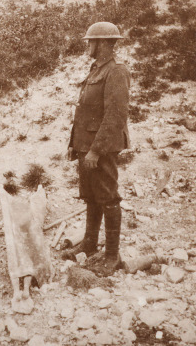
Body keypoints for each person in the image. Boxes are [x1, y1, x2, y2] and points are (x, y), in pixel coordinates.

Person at [63, 21, 131, 277]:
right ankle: (90, 244)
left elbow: (115, 116)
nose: (88, 46)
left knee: (108, 197)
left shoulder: (116, 72)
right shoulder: (96, 69)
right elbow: (84, 111)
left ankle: (112, 255)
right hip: (86, 145)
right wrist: (76, 145)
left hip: (101, 148)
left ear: (103, 43)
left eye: (91, 41)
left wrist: (95, 151)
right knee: (90, 195)